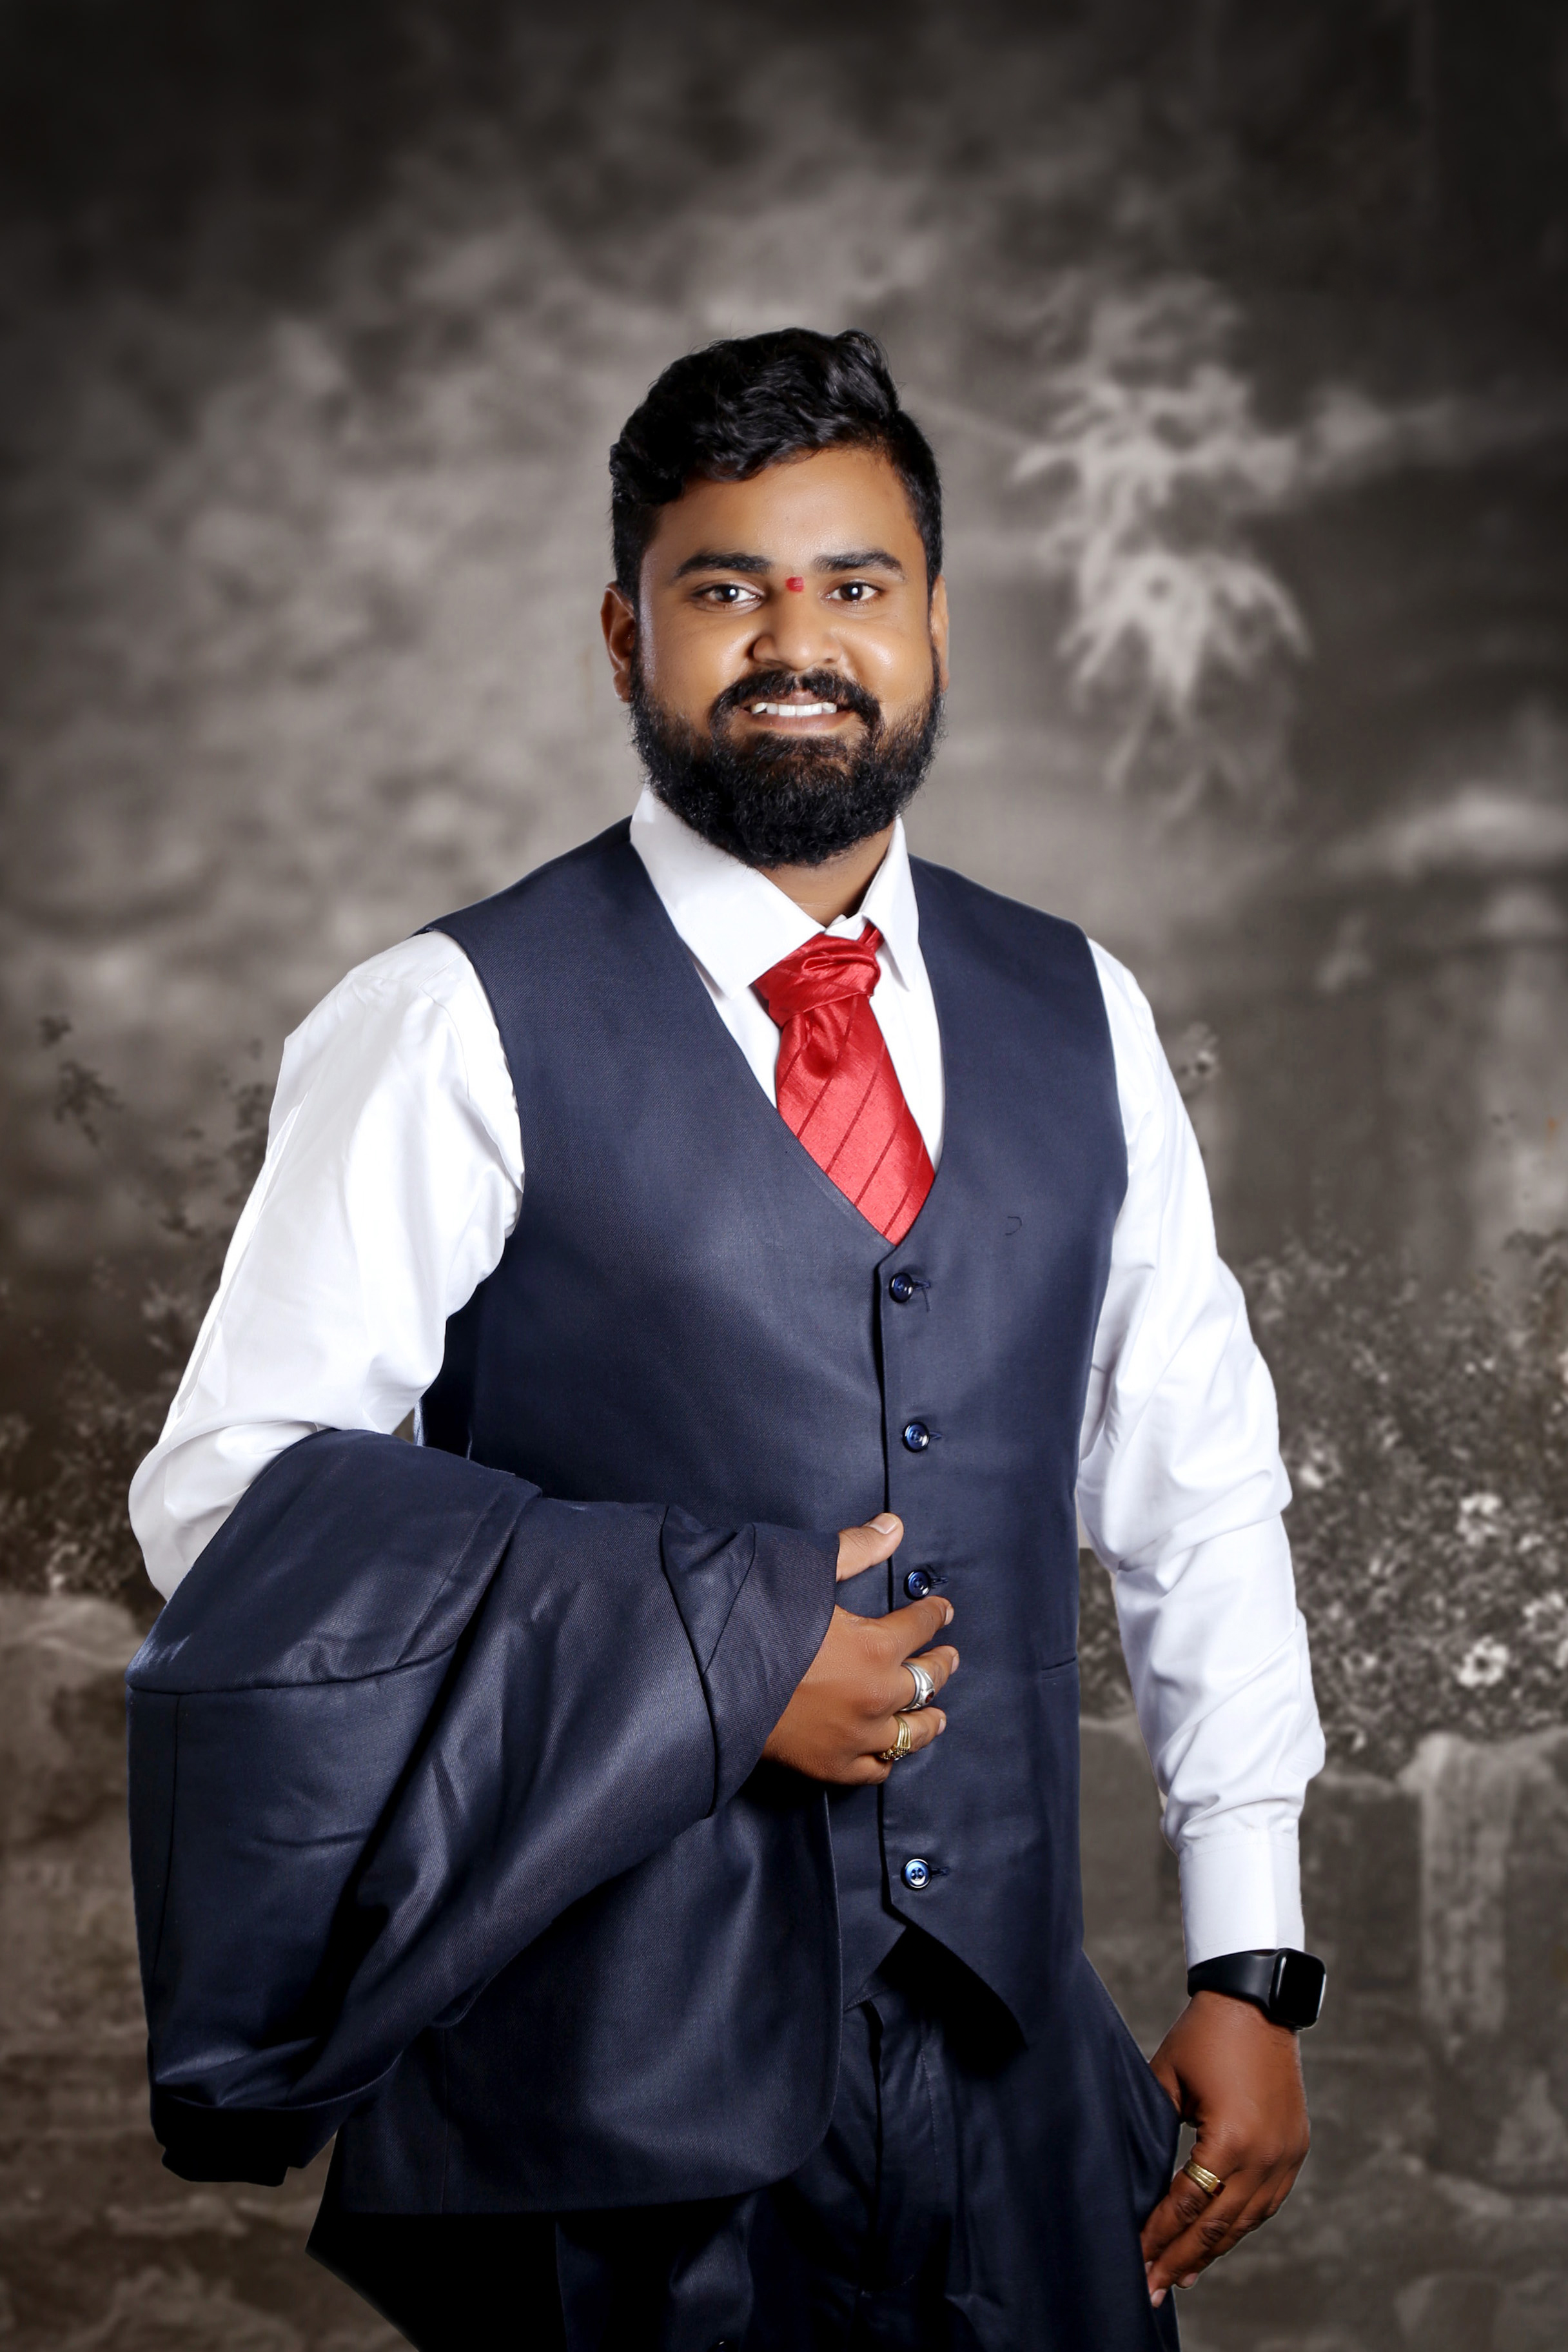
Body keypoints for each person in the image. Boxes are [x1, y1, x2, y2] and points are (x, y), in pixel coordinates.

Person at [128, 328, 1326, 2352]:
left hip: (1018, 2084)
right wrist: (714, 1640)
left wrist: (1253, 1959)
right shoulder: (448, 1021)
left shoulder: (1085, 1014)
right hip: (606, 2102)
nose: (797, 643)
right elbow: (228, 1514)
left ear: (934, 621)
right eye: (725, 589)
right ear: (627, 634)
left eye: (854, 584)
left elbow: (1193, 1494)